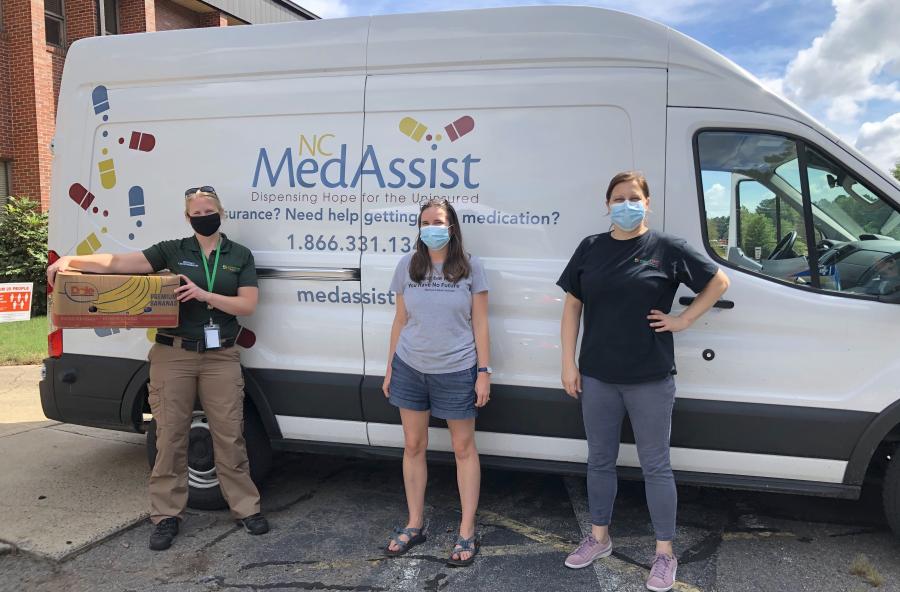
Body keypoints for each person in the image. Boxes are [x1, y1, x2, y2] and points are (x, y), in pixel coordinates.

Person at [47, 186, 269, 551]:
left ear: (221, 213)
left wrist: (204, 295)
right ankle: (166, 515)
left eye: (209, 211)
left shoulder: (239, 255)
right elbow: (118, 263)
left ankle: (246, 508)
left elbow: (247, 305)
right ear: (187, 217)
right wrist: (69, 261)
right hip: (174, 354)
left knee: (230, 435)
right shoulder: (172, 250)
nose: (203, 217)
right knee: (170, 436)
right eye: (197, 213)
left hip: (221, 356)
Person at [557, 171, 729, 591]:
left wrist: (683, 320)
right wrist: (568, 363)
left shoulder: (666, 248)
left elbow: (718, 281)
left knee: (656, 466)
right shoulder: (591, 248)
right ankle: (599, 538)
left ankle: (665, 554)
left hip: (650, 377)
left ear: (647, 203)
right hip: (598, 376)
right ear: (607, 204)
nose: (626, 205)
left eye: (634, 198)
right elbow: (572, 307)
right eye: (618, 198)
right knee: (599, 461)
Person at [382, 198, 491, 567]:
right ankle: (414, 524)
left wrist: (483, 372)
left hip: (457, 369)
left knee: (463, 448)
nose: (431, 228)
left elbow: (480, 323)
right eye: (425, 222)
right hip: (410, 368)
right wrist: (390, 368)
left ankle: (466, 530)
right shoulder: (408, 265)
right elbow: (400, 320)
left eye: (438, 221)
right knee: (413, 445)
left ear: (451, 227)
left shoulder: (471, 267)